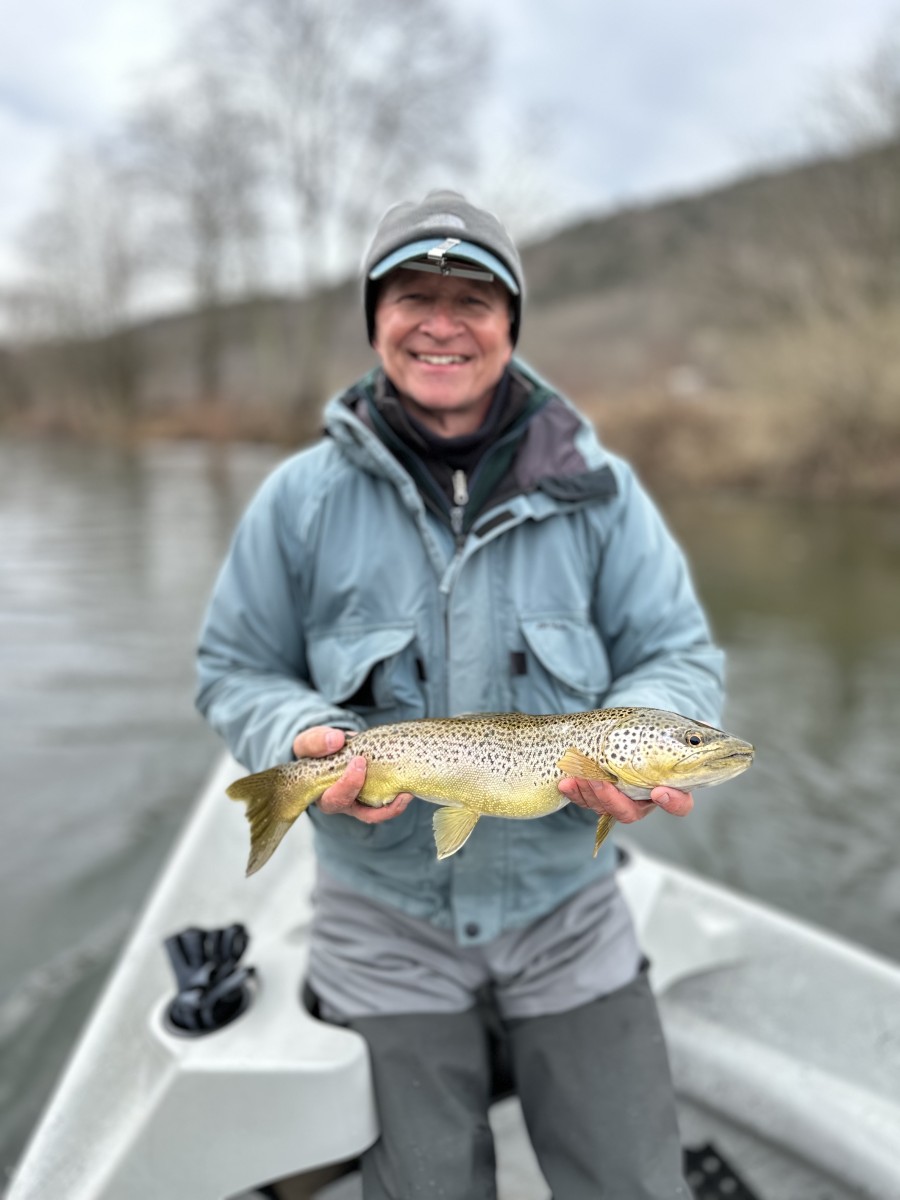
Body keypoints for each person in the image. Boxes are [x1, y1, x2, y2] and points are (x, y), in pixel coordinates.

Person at [196, 189, 724, 1199]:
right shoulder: (297, 502)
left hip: (568, 911)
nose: (442, 322)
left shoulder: (601, 493)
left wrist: (638, 730)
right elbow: (235, 668)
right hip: (381, 923)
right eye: (413, 295)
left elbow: (677, 651)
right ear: (376, 320)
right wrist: (304, 735)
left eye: (473, 298)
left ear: (511, 324)